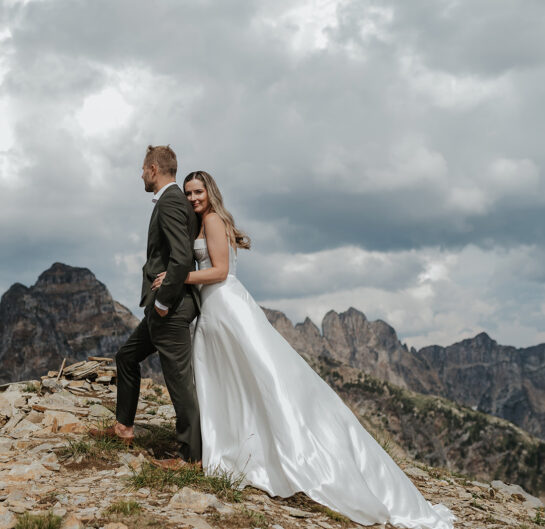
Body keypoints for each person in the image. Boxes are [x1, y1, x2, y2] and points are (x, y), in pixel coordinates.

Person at [151, 170, 455, 528]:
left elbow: (219, 271)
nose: (192, 198)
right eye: (187, 193)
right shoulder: (199, 222)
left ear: (210, 192)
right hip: (213, 310)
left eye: (197, 191)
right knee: (228, 379)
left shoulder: (214, 220)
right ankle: (228, 446)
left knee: (261, 375)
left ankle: (273, 448)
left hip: (226, 305)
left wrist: (178, 278)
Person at [91, 145, 202, 466]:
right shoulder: (175, 202)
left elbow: (182, 257)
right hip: (161, 309)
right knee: (126, 356)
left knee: (179, 383)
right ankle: (124, 427)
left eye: (142, 168)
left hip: (170, 308)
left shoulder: (169, 203)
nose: (140, 174)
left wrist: (165, 302)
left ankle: (191, 457)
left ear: (154, 169)